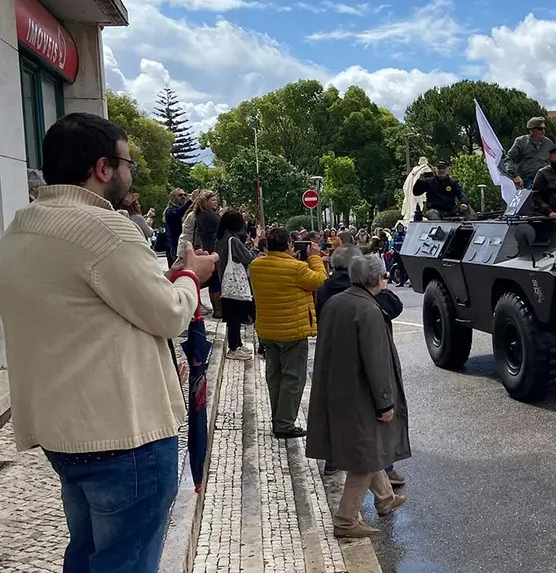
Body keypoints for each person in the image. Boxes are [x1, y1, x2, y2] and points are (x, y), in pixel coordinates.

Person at [0, 112, 217, 573]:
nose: (130, 172)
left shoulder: (20, 227)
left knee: (85, 554)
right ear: (103, 168)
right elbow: (169, 313)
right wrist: (188, 277)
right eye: (128, 163)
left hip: (64, 434)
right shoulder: (105, 229)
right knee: (125, 562)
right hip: (124, 437)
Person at [307, 254, 411, 538]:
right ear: (378, 280)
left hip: (337, 389)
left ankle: (385, 498)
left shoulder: (335, 302)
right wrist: (385, 402)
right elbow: (376, 362)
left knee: (369, 449)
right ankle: (346, 520)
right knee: (365, 457)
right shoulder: (369, 310)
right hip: (361, 395)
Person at [249, 226, 329, 438]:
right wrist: (314, 257)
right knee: (292, 379)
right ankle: (284, 424)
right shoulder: (296, 268)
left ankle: (277, 417)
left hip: (267, 330)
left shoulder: (255, 266)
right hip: (292, 331)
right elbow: (319, 279)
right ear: (288, 245)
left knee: (274, 377)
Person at [217, 210, 257, 360]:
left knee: (233, 316)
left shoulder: (221, 238)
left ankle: (237, 344)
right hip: (234, 283)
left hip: (226, 282)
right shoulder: (232, 240)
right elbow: (247, 258)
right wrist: (254, 248)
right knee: (237, 316)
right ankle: (234, 347)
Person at [501, 116, 555, 189]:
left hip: (546, 178)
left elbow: (555, 161)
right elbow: (509, 159)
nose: (543, 131)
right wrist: (515, 175)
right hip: (527, 179)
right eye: (540, 129)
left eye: (544, 129)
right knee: (533, 194)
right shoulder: (521, 142)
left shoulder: (548, 143)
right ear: (531, 130)